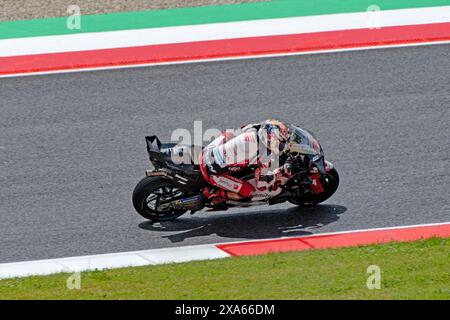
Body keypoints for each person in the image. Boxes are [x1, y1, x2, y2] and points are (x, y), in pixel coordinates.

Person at [199, 119, 295, 204]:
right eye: (280, 144)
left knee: (230, 133)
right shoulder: (262, 154)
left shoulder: (254, 129)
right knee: (248, 191)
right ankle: (212, 193)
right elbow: (261, 184)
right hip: (211, 171)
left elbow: (243, 128)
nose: (281, 147)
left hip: (208, 151)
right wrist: (281, 171)